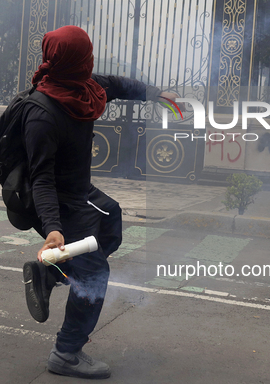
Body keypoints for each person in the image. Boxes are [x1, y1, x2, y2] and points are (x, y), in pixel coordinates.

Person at [20, 25, 179, 379]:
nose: (90, 62)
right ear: (75, 60)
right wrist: (53, 228)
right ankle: (66, 351)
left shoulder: (84, 86)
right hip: (55, 201)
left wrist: (155, 94)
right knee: (95, 275)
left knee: (110, 218)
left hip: (78, 192)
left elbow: (119, 85)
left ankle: (54, 271)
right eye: (86, 56)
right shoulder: (42, 114)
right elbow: (40, 178)